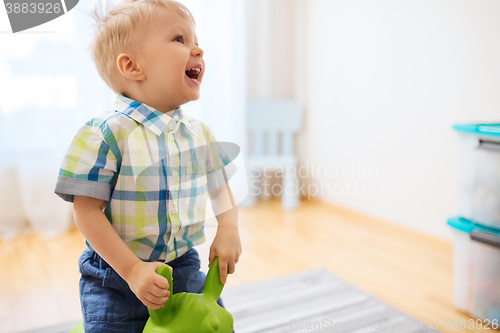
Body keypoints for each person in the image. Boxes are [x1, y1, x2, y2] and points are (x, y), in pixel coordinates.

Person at [54, 0, 242, 331]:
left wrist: (227, 229)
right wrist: (132, 270)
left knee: (212, 324)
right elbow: (86, 212)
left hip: (183, 268)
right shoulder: (104, 134)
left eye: (195, 40)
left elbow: (220, 187)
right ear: (132, 66)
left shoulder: (198, 134)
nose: (198, 49)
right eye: (179, 39)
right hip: (116, 278)